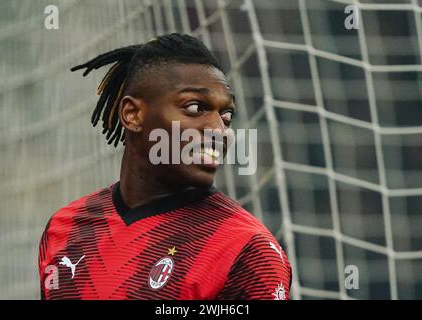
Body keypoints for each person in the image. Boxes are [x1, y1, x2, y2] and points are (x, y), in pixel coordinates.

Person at [38, 33, 292, 300]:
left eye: (226, 116)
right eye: (195, 107)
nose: (220, 130)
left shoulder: (247, 250)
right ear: (132, 114)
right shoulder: (66, 227)